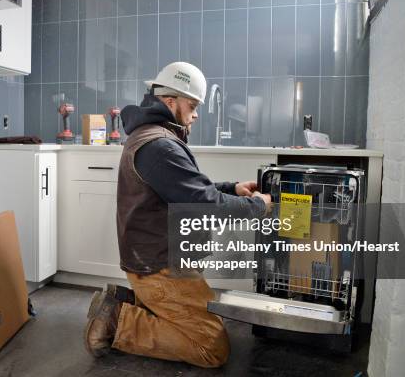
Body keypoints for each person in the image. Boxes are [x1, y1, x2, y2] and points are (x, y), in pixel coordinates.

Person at [84, 62, 272, 367]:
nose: (196, 114)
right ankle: (117, 321)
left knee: (198, 323)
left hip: (154, 258)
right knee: (211, 348)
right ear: (170, 102)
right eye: (193, 105)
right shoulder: (160, 146)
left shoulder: (152, 136)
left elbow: (184, 190)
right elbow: (205, 205)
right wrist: (259, 206)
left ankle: (128, 303)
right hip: (159, 267)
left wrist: (232, 188)